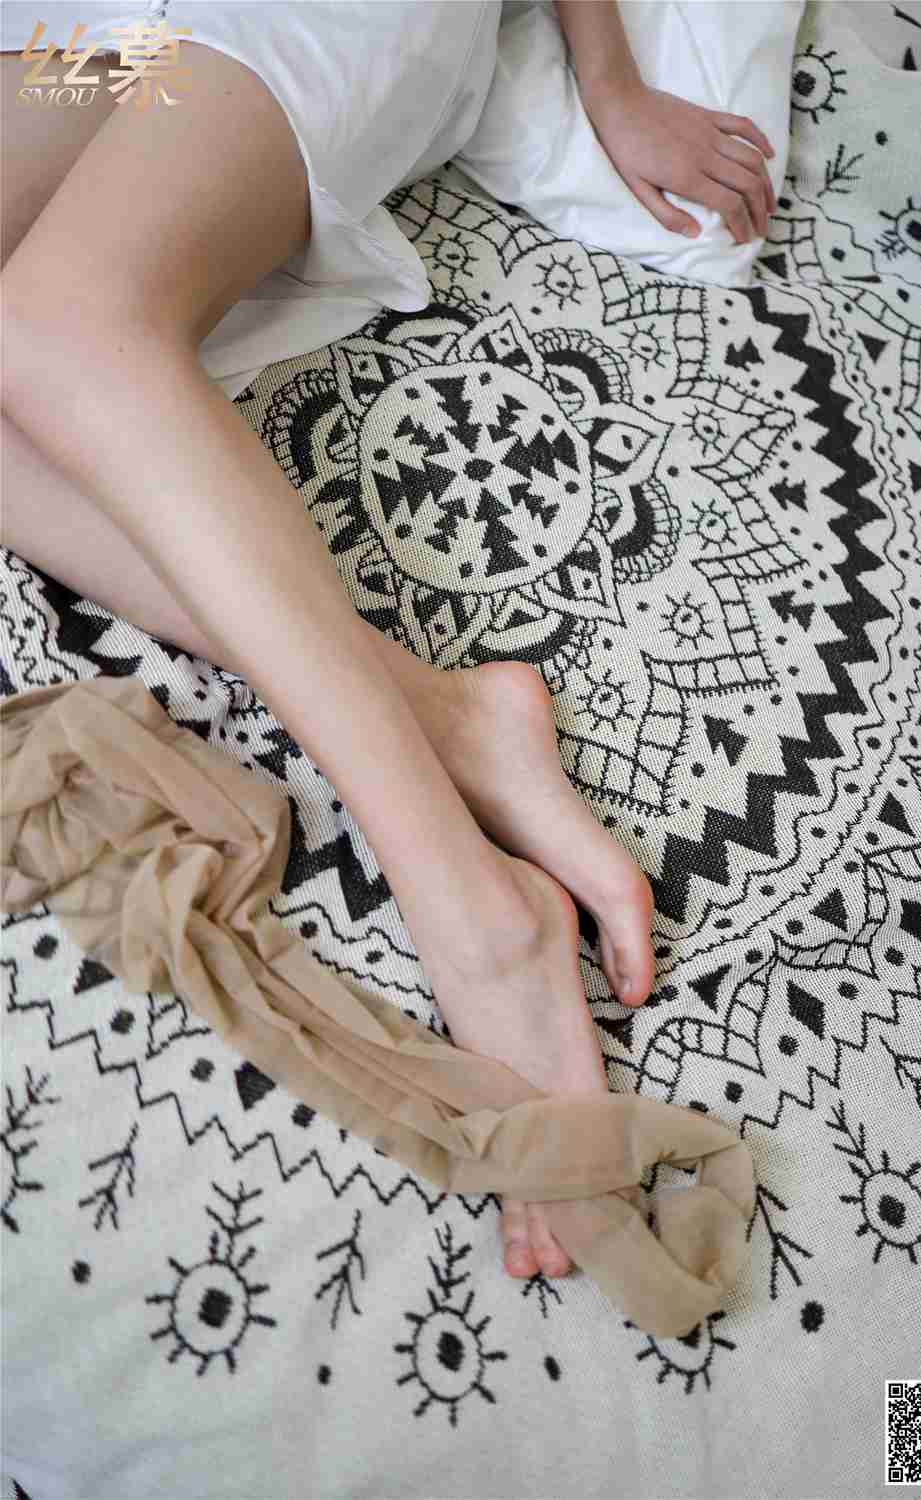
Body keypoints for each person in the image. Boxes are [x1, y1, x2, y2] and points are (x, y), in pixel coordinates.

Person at [0, 0, 774, 1285]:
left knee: (55, 322)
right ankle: (447, 713)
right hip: (111, 18)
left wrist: (611, 80)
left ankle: (473, 905)